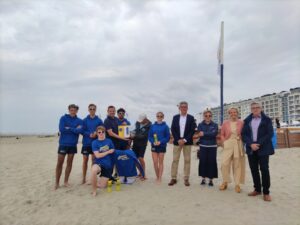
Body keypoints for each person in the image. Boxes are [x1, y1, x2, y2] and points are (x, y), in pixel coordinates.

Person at [242, 102, 274, 201]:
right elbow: (244, 134)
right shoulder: (247, 120)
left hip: (263, 147)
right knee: (254, 169)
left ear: (261, 108)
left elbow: (270, 134)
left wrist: (258, 143)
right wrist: (251, 144)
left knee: (264, 169)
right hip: (251, 148)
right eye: (253, 108)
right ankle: (257, 189)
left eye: (257, 107)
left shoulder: (267, 120)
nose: (255, 109)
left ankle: (266, 192)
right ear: (251, 110)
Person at [55, 104, 83, 190]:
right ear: (69, 110)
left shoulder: (80, 120)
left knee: (69, 163)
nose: (73, 111)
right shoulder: (63, 118)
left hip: (72, 145)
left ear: (77, 111)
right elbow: (62, 129)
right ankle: (57, 183)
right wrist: (74, 129)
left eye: (74, 110)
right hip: (63, 144)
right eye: (71, 110)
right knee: (60, 163)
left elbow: (80, 130)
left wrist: (69, 128)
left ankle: (66, 181)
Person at [168, 101, 196, 187]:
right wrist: (178, 139)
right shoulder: (175, 117)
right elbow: (173, 129)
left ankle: (186, 178)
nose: (183, 108)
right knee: (175, 160)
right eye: (182, 107)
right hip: (177, 142)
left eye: (185, 107)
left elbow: (192, 130)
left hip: (187, 142)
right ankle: (173, 178)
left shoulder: (191, 118)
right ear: (179, 108)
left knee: (187, 160)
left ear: (187, 108)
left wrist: (184, 140)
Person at [219, 107, 245, 193]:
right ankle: (225, 181)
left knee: (237, 164)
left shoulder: (241, 122)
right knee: (224, 164)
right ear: (229, 114)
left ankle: (237, 184)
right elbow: (222, 134)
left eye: (235, 112)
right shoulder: (225, 123)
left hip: (238, 143)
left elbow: (245, 133)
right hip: (228, 143)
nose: (233, 114)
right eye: (231, 112)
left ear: (237, 113)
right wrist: (223, 143)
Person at [81, 104, 103, 184]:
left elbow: (102, 130)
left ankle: (92, 179)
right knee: (85, 161)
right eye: (90, 109)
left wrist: (96, 133)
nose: (92, 110)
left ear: (95, 110)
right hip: (86, 143)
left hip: (95, 144)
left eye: (93, 109)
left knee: (94, 161)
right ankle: (83, 178)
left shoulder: (99, 120)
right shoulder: (84, 120)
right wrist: (89, 134)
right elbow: (82, 131)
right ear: (88, 109)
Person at [196, 109, 218, 186]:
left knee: (212, 162)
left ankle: (211, 180)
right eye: (206, 115)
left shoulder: (215, 125)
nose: (208, 117)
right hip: (203, 146)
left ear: (211, 116)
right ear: (204, 116)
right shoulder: (200, 124)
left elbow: (214, 134)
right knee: (203, 162)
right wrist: (208, 134)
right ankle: (203, 179)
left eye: (209, 115)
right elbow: (199, 134)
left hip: (212, 146)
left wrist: (204, 134)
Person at [91, 126, 115, 196]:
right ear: (97, 133)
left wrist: (111, 151)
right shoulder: (94, 142)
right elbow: (97, 155)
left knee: (102, 186)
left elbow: (113, 150)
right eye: (99, 132)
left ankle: (94, 181)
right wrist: (108, 152)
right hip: (98, 163)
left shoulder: (109, 141)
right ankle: (94, 190)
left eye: (103, 132)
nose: (101, 133)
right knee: (94, 170)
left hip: (107, 165)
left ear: (105, 132)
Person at [148, 112, 170, 183]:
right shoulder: (152, 126)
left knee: (160, 162)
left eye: (161, 116)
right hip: (154, 145)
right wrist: (153, 142)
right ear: (156, 117)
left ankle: (160, 178)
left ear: (163, 117)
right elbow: (149, 136)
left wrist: (160, 142)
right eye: (158, 116)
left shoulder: (166, 126)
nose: (159, 117)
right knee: (155, 162)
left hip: (162, 146)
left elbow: (167, 137)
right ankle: (157, 176)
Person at [132, 113, 152, 179]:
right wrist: (131, 134)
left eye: (142, 120)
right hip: (135, 143)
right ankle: (140, 172)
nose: (140, 121)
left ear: (145, 119)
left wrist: (134, 136)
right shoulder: (137, 122)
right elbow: (134, 130)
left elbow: (144, 136)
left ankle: (143, 174)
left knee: (140, 158)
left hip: (142, 144)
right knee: (134, 158)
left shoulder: (150, 125)